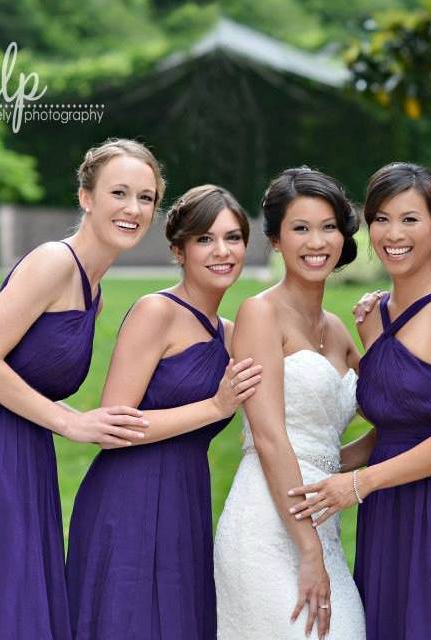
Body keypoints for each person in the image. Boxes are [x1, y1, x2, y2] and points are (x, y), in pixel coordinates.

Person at [0, 138, 164, 640]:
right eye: (119, 193)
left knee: (13, 609)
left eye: (145, 198)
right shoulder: (52, 262)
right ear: (86, 197)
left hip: (27, 455)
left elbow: (25, 372)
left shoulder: (93, 291)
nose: (133, 209)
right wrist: (69, 420)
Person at [289, 162, 431, 639]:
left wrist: (359, 483)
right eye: (381, 219)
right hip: (389, 510)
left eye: (410, 219)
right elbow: (396, 419)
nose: (393, 233)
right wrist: (322, 468)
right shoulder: (375, 314)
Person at [65, 185, 262, 639]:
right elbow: (112, 424)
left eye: (233, 238)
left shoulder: (231, 334)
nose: (222, 251)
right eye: (205, 239)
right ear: (178, 249)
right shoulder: (156, 311)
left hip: (187, 498)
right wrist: (215, 406)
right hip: (129, 495)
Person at [213, 167, 366, 640]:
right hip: (268, 526)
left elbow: (395, 413)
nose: (316, 241)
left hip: (323, 519)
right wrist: (308, 551)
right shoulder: (260, 313)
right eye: (300, 228)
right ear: (277, 239)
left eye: (327, 227)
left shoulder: (339, 329)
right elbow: (270, 436)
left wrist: (337, 468)